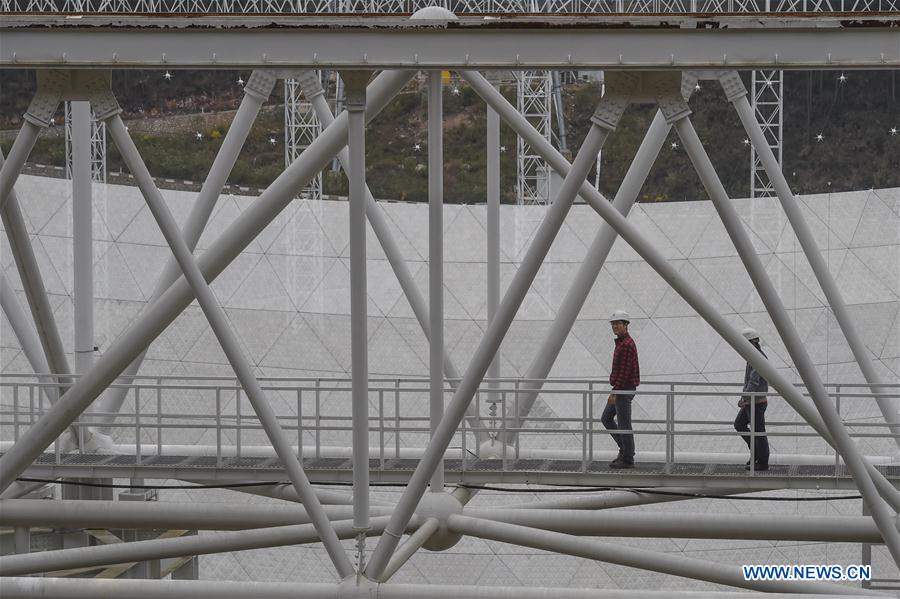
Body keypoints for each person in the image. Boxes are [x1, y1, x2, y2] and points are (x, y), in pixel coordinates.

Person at [601, 310, 640, 469]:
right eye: (613, 324)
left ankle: (628, 458)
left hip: (624, 389)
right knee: (607, 419)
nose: (615, 326)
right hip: (621, 388)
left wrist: (615, 392)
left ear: (626, 325)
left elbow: (624, 372)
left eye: (618, 323)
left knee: (624, 424)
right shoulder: (622, 343)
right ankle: (624, 450)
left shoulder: (627, 345)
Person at [735, 327, 770, 471]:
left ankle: (762, 462)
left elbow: (754, 382)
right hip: (752, 401)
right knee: (740, 424)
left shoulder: (757, 358)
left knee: (759, 432)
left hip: (756, 401)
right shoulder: (755, 356)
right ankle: (755, 452)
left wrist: (744, 397)